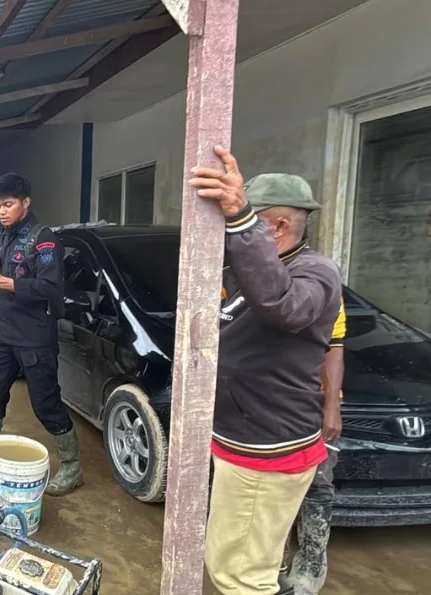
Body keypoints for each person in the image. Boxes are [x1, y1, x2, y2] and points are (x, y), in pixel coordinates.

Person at [189, 147, 342, 595]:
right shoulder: (256, 270)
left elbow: (283, 307)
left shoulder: (316, 272)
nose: (233, 232)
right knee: (245, 561)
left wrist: (239, 218)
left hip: (268, 449)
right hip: (244, 439)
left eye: (253, 223)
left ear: (277, 226)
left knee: (239, 575)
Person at [0, 172, 84, 496]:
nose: (2, 211)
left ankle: (72, 466)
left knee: (45, 402)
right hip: (4, 333)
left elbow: (51, 288)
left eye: (7, 204)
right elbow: (3, 280)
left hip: (35, 336)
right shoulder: (1, 239)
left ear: (26, 202)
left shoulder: (44, 238)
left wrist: (4, 283)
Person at [285, 302, 345, 595]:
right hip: (261, 402)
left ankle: (311, 566)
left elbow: (334, 343)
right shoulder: (239, 272)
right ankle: (274, 564)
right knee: (270, 484)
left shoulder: (321, 276)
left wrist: (332, 403)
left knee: (317, 484)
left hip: (312, 402)